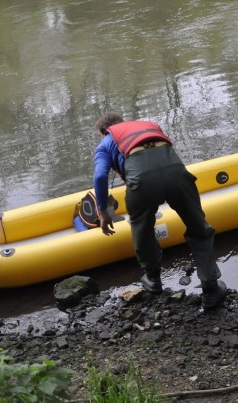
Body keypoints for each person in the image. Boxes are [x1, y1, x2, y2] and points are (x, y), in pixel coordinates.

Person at [92, 112, 228, 310]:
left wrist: (103, 212)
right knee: (199, 227)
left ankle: (153, 279)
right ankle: (211, 289)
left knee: (142, 228)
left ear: (103, 132)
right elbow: (159, 156)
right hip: (175, 171)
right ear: (123, 123)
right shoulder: (148, 125)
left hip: (141, 180)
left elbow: (100, 177)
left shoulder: (105, 142)